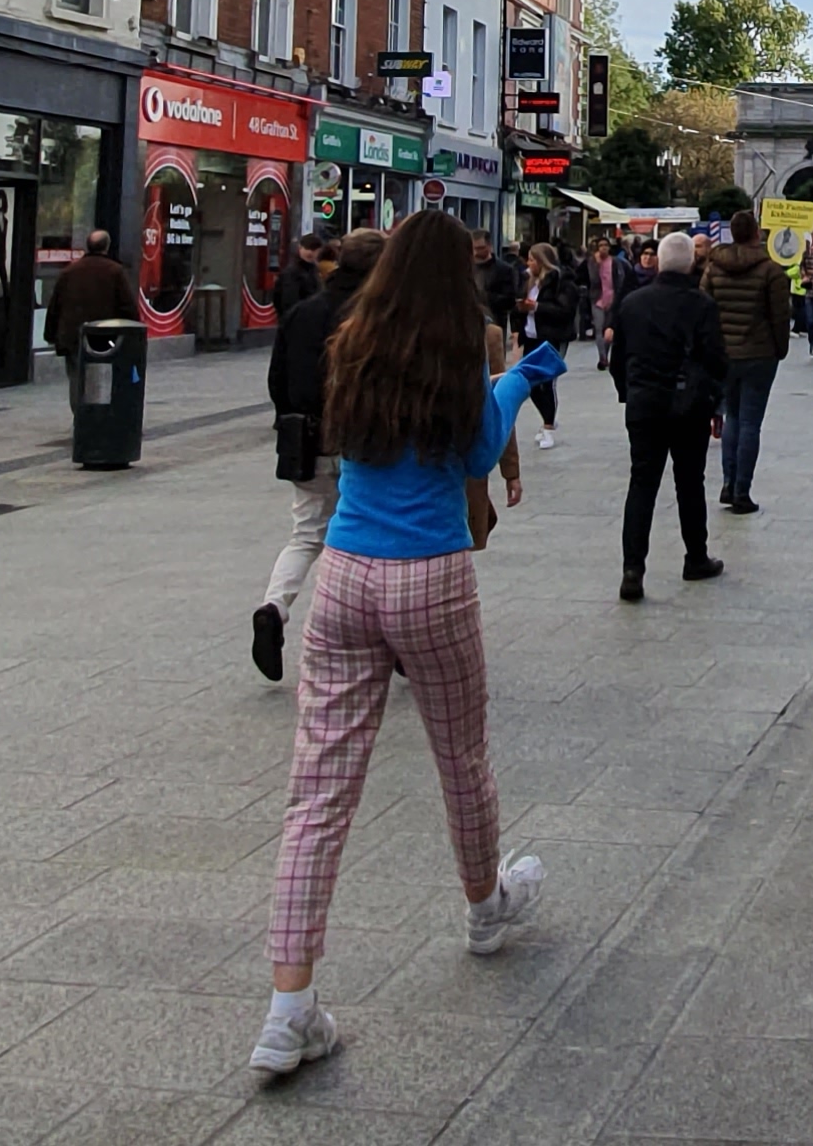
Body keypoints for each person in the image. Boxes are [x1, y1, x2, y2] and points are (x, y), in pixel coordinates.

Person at [252, 211, 549, 1075]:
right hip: (431, 574)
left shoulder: (352, 344)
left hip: (346, 570)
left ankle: (288, 1007)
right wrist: (519, 382)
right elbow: (478, 452)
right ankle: (485, 907)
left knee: (317, 794)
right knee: (461, 757)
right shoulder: (457, 351)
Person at [255, 228, 388, 682]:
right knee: (375, 534)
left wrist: (290, 419)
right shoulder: (376, 316)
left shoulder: (303, 312)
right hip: (361, 442)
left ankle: (274, 606)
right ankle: (385, 634)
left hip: (306, 440)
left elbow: (277, 378)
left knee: (306, 534)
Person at [608, 232, 728, 601]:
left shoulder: (633, 303)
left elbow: (617, 360)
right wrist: (715, 403)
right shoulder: (702, 305)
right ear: (692, 263)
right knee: (690, 482)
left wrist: (629, 393)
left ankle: (632, 569)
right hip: (689, 406)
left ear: (659, 262)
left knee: (642, 484)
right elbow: (716, 361)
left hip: (644, 404)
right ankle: (696, 557)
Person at [700, 213, 793, 513]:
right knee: (751, 423)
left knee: (732, 418)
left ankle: (728, 483)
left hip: (725, 354)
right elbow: (780, 316)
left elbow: (704, 310)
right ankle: (742, 490)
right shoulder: (770, 270)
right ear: (756, 233)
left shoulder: (713, 268)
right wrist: (780, 349)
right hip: (759, 354)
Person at [49, 230, 144, 420]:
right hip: (105, 336)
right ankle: (99, 416)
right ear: (106, 247)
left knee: (76, 378)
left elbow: (55, 306)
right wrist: (133, 331)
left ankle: (80, 416)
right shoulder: (115, 271)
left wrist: (52, 334)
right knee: (103, 375)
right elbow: (127, 306)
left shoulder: (69, 272)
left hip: (73, 335)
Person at [519, 243, 583, 449]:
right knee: (529, 383)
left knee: (545, 382)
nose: (528, 264)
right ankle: (547, 419)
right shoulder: (529, 281)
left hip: (551, 337)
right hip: (531, 336)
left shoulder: (562, 282)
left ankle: (548, 427)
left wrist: (537, 307)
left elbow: (565, 310)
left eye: (532, 260)